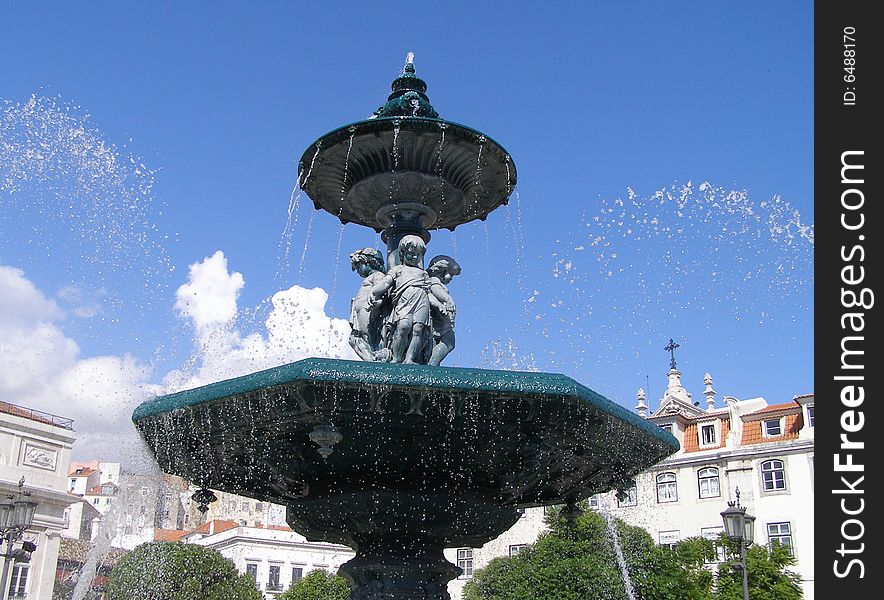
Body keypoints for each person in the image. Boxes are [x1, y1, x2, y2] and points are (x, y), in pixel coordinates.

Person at [370, 235, 432, 364]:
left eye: (418, 254)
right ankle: (396, 358)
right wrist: (373, 291)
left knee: (418, 329)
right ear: (403, 252)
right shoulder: (398, 269)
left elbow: (429, 292)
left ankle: (410, 359)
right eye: (411, 253)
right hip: (404, 301)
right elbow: (386, 283)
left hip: (422, 300)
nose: (415, 257)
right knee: (404, 326)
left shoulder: (423, 273)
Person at [347, 247, 389, 362]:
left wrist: (378, 302)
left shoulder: (377, 275)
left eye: (358, 266)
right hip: (363, 313)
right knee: (354, 339)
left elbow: (382, 290)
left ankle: (375, 359)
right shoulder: (371, 277)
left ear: (368, 262)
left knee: (371, 336)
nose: (357, 271)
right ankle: (371, 359)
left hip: (370, 311)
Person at [426, 255, 461, 366]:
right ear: (442, 271)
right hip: (439, 319)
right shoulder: (434, 280)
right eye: (450, 275)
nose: (451, 278)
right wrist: (448, 299)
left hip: (442, 320)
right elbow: (436, 290)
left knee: (442, 342)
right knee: (449, 342)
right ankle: (432, 364)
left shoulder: (435, 281)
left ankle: (431, 363)